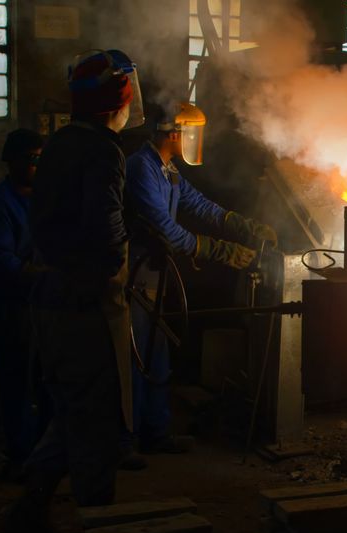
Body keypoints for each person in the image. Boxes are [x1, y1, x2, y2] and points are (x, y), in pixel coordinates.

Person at [1, 49, 145, 533]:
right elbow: (106, 239)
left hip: (53, 303)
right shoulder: (105, 151)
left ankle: (26, 513)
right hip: (86, 311)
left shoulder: (62, 141)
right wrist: (121, 258)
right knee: (98, 427)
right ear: (119, 98)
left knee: (69, 415)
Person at [122, 101, 275, 460]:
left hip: (155, 276)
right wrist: (219, 251)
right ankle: (124, 441)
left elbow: (201, 206)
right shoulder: (141, 169)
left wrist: (244, 226)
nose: (194, 139)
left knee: (156, 355)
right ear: (175, 133)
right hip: (134, 275)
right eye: (191, 132)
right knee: (133, 359)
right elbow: (167, 232)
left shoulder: (168, 170)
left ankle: (155, 433)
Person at [0, 129, 49, 477]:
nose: (38, 166)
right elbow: (4, 262)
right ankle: (21, 455)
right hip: (14, 306)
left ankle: (47, 452)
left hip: (46, 304)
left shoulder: (46, 198)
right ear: (14, 162)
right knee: (18, 382)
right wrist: (46, 276)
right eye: (32, 159)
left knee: (49, 380)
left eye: (41, 158)